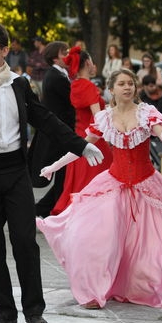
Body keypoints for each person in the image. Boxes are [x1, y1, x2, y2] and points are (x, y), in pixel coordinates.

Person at [0, 23, 102, 323]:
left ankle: (34, 310)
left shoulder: (19, 84)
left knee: (25, 241)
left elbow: (44, 118)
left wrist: (80, 145)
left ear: (5, 50)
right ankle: (5, 313)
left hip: (15, 170)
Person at [36, 68, 162, 309]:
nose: (127, 87)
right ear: (111, 89)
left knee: (152, 245)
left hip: (146, 184)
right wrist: (54, 166)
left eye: (130, 84)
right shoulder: (104, 118)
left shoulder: (146, 112)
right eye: (122, 84)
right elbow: (81, 146)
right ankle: (96, 290)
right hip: (114, 183)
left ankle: (151, 286)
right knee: (98, 239)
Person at [51, 49, 113, 216]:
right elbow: (98, 117)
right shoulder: (88, 86)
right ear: (87, 63)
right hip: (94, 139)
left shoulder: (75, 85)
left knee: (80, 182)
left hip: (79, 138)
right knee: (98, 182)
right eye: (91, 61)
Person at [28, 41, 73, 217]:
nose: (68, 55)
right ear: (55, 58)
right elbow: (70, 104)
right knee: (63, 176)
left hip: (59, 132)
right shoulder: (56, 77)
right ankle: (45, 211)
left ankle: (42, 210)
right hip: (59, 134)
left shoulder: (59, 74)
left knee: (64, 176)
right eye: (64, 53)